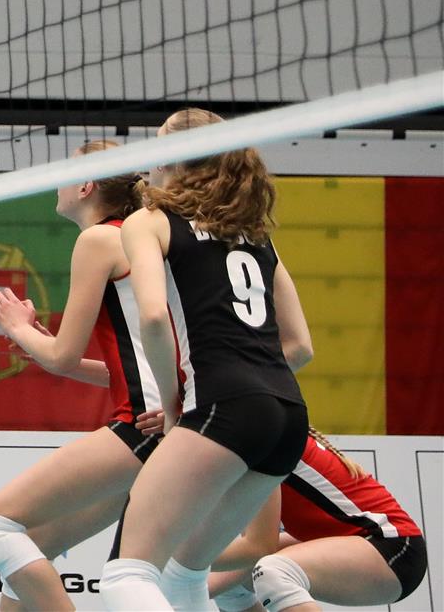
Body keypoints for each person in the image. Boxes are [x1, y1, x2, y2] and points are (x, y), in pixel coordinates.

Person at [101, 108, 313, 610]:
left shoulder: (148, 222)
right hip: (288, 415)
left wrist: (175, 406)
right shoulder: (255, 233)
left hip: (224, 405)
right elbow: (301, 346)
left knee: (125, 574)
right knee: (183, 573)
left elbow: (154, 317)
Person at [0, 140, 162, 611]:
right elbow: (120, 368)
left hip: (142, 426)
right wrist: (40, 347)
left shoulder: (99, 240)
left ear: (86, 185)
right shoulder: (138, 240)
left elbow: (61, 356)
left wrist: (18, 327)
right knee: (33, 549)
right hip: (167, 422)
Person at [208, 428, 428, 612]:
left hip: (392, 547)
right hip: (353, 539)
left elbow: (257, 547)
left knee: (274, 572)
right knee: (230, 586)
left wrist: (188, 567)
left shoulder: (259, 438)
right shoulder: (251, 435)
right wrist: (190, 579)